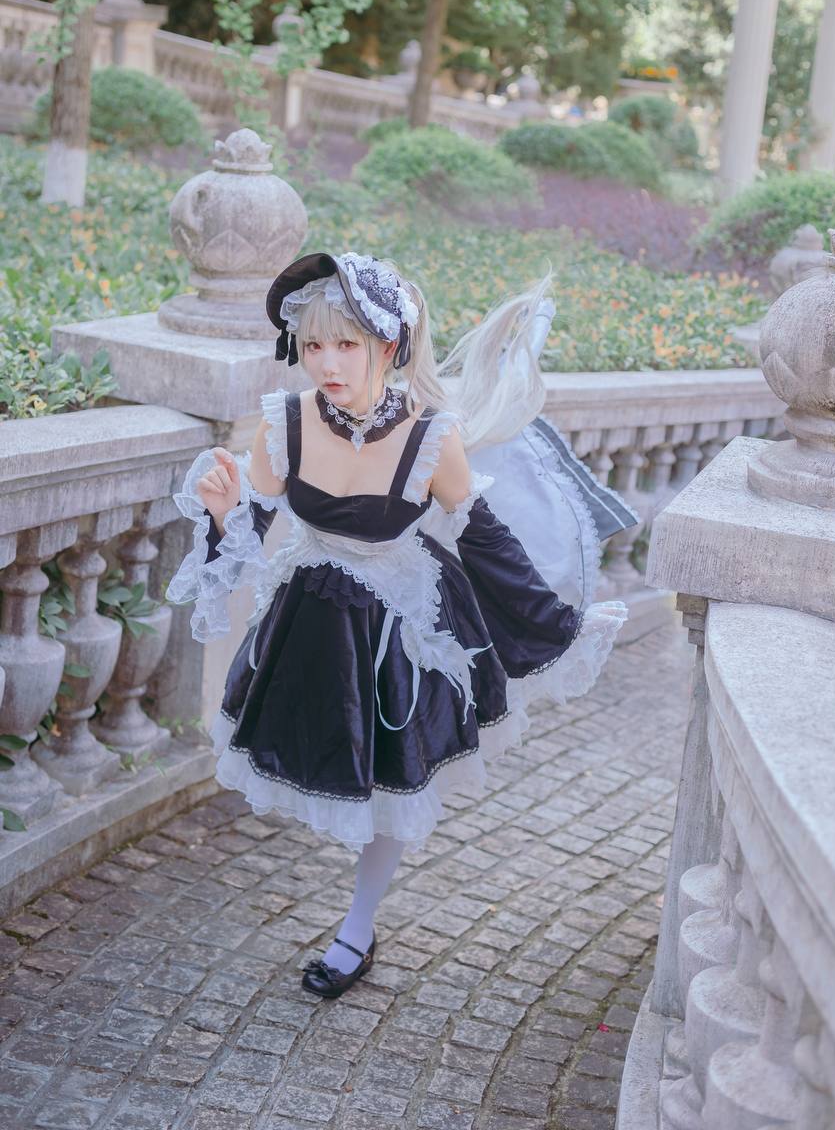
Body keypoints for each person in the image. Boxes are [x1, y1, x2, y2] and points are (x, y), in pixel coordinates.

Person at [166, 251, 634, 1000]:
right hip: (309, 617)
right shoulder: (284, 423)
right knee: (313, 754)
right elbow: (249, 534)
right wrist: (224, 515)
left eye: (345, 344)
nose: (326, 363)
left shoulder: (431, 438)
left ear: (387, 346)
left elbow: (485, 542)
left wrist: (556, 626)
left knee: (392, 779)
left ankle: (357, 929)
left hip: (401, 627)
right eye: (313, 345)